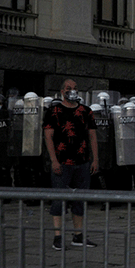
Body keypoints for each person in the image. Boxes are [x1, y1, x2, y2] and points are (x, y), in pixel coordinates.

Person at [43, 79, 98, 250]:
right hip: (62, 162)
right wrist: (53, 160)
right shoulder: (54, 111)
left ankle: (78, 235)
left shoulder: (86, 111)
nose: (72, 91)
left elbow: (92, 136)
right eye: (68, 88)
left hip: (82, 162)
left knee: (80, 200)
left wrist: (95, 159)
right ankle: (58, 236)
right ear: (62, 92)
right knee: (59, 200)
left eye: (75, 88)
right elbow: (48, 137)